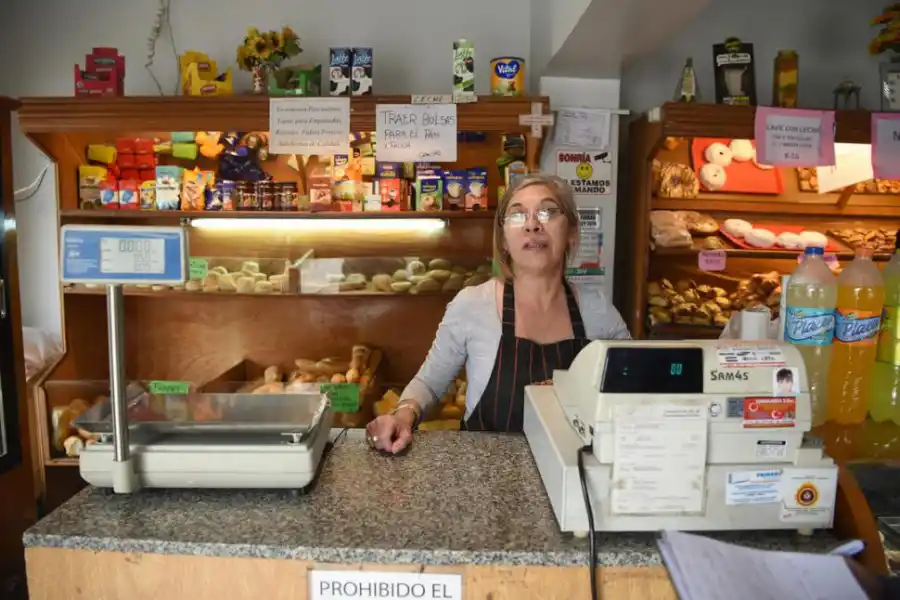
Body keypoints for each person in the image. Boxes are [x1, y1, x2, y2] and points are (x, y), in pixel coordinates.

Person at [366, 174, 631, 453]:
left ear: (572, 232)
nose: (532, 224)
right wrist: (402, 414)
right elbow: (429, 384)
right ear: (504, 240)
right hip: (485, 482)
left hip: (574, 482)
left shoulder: (598, 312)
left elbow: (634, 393)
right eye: (517, 215)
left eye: (548, 211)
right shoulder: (472, 305)